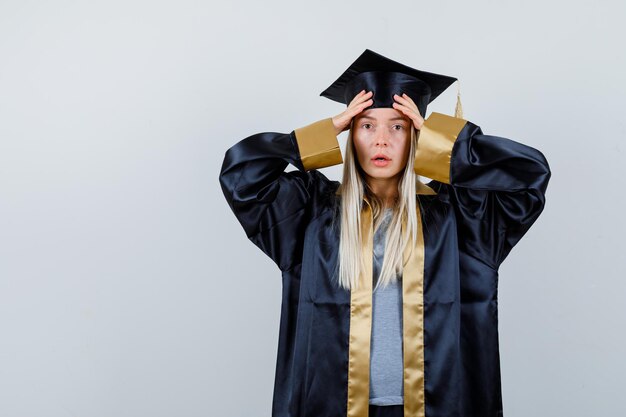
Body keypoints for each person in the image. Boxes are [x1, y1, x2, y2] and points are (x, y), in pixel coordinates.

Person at [219, 49, 551, 417]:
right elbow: (242, 178)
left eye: (398, 126)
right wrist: (324, 132)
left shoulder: (461, 216)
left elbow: (529, 176)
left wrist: (442, 140)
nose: (381, 140)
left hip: (436, 408)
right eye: (366, 125)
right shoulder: (312, 212)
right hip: (331, 408)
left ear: (416, 137)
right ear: (350, 134)